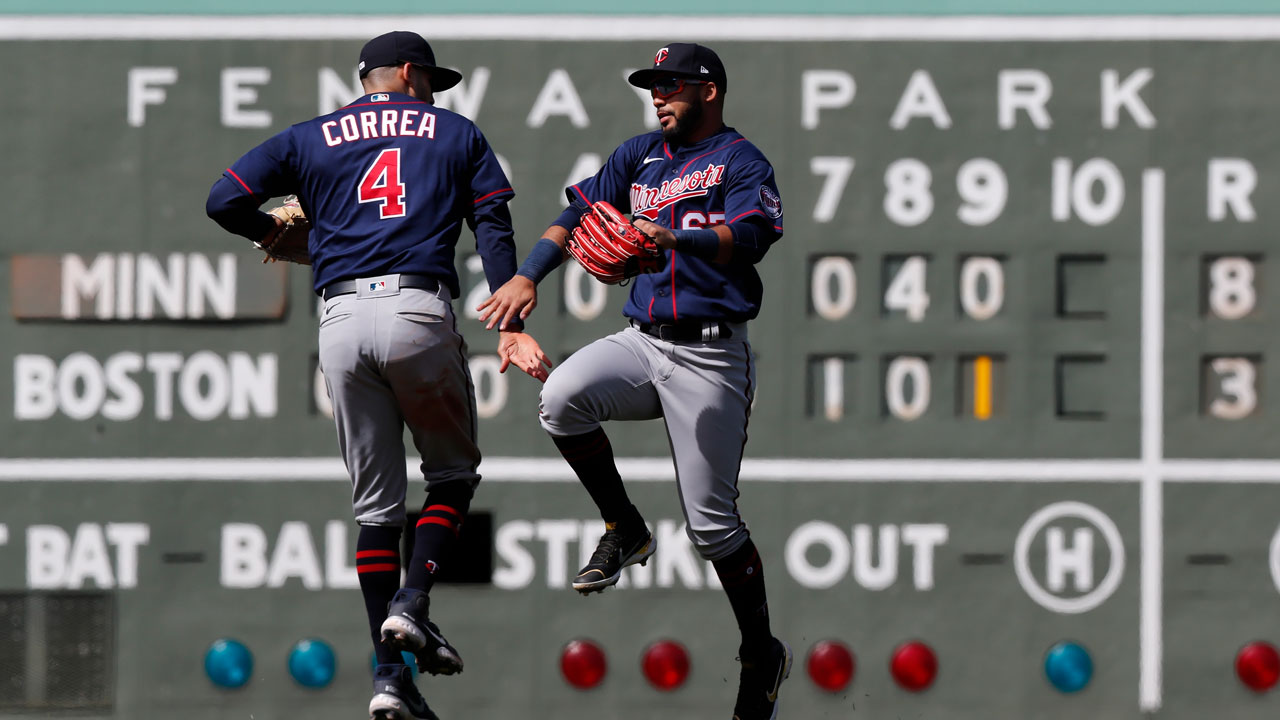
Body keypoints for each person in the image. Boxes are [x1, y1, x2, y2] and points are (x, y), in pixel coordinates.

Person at [206, 30, 550, 720]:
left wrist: (273, 230)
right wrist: (509, 317)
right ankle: (413, 601)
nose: (434, 91)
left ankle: (390, 677)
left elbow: (223, 198)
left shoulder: (311, 136)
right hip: (417, 308)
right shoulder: (454, 133)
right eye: (430, 79)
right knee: (452, 476)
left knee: (375, 512)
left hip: (338, 320)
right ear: (406, 73)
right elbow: (491, 220)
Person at [478, 42, 790, 720]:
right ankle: (625, 527)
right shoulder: (638, 154)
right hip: (642, 342)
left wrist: (677, 239)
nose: (658, 96)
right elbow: (574, 217)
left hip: (711, 356)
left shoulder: (741, 161)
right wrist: (528, 274)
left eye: (671, 85)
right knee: (560, 399)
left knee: (712, 529)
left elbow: (756, 232)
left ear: (708, 90)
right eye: (653, 86)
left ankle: (760, 651)